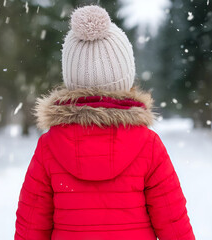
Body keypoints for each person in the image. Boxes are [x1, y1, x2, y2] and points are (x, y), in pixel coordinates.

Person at [14, 5, 195, 240]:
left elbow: (30, 228)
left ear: (71, 79)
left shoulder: (49, 146)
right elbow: (173, 224)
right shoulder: (148, 145)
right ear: (126, 76)